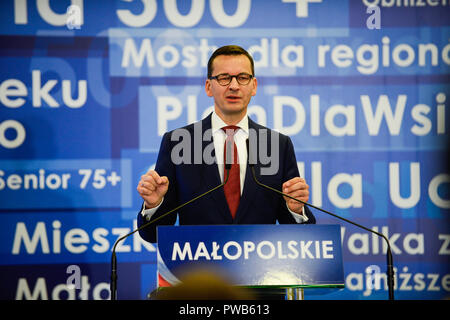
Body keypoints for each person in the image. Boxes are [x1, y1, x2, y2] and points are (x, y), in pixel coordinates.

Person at [137, 45, 315, 243]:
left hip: (260, 268)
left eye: (242, 77)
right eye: (224, 78)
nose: (234, 86)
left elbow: (303, 239)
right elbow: (152, 235)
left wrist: (296, 209)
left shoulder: (277, 145)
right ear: (208, 87)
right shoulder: (178, 142)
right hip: (198, 269)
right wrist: (155, 205)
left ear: (254, 86)